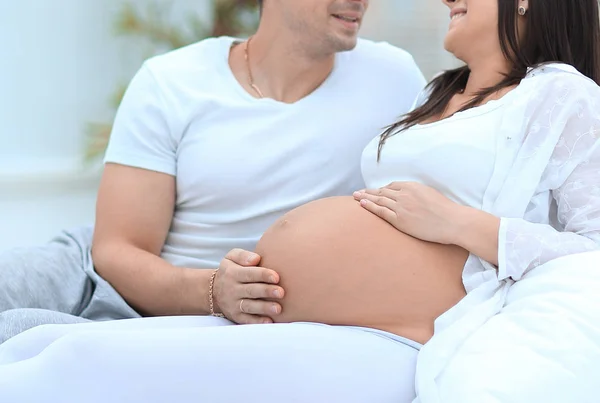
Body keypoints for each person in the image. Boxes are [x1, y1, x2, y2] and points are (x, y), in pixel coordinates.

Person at [1, 0, 600, 402]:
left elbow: (589, 248)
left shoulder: (558, 95)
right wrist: (215, 288)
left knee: (77, 364)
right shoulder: (432, 94)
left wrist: (463, 224)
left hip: (402, 328)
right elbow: (115, 248)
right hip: (255, 301)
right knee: (47, 344)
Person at [0, 0, 427, 343]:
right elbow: (115, 251)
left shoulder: (395, 79)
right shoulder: (172, 81)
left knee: (28, 341)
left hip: (215, 326)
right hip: (110, 280)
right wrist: (214, 291)